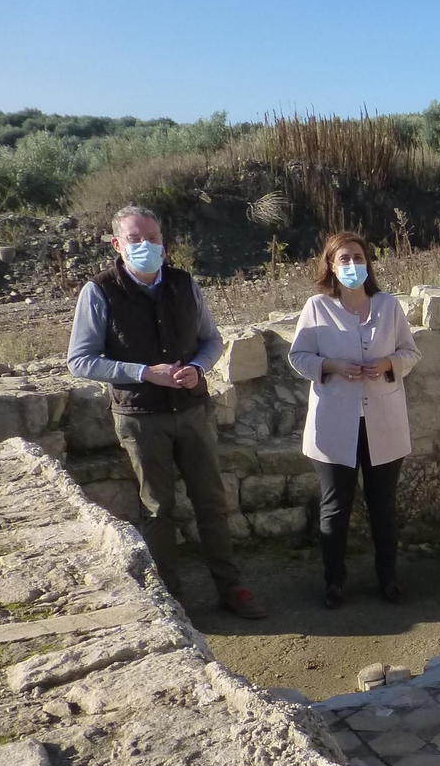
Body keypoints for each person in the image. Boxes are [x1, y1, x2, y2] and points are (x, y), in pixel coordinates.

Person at [66, 204, 266, 618]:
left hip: (192, 410)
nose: (145, 246)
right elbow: (80, 360)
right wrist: (142, 373)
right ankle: (170, 597)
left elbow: (211, 340)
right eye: (135, 239)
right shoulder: (99, 291)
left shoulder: (184, 283)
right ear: (118, 245)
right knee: (158, 508)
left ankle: (231, 589)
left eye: (153, 238)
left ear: (164, 243)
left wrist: (196, 367)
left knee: (211, 501)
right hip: (140, 417)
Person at [288, 232, 419, 608]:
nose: (351, 265)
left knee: (383, 505)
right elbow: (299, 357)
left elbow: (410, 353)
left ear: (368, 263)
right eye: (343, 259)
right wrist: (331, 365)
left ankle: (389, 578)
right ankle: (334, 582)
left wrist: (388, 364)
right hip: (333, 423)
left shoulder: (388, 306)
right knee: (335, 506)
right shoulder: (316, 307)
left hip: (383, 420)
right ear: (330, 265)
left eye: (357, 257)